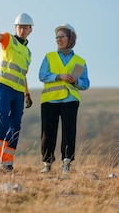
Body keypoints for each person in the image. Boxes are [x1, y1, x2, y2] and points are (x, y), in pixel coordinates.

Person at [0, 13, 34, 171]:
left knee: (15, 125)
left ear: (30, 30)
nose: (22, 30)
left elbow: (23, 75)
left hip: (18, 91)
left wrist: (27, 94)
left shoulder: (28, 53)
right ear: (15, 28)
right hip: (3, 85)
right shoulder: (9, 39)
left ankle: (6, 162)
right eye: (20, 27)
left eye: (25, 27)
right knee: (3, 117)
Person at [38, 24, 89, 174]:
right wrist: (59, 76)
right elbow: (42, 75)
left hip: (70, 100)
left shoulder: (79, 61)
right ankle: (47, 163)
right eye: (57, 37)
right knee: (48, 132)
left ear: (70, 38)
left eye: (62, 36)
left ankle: (67, 162)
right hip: (50, 100)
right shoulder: (49, 57)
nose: (58, 40)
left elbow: (85, 83)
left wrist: (75, 81)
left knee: (69, 132)